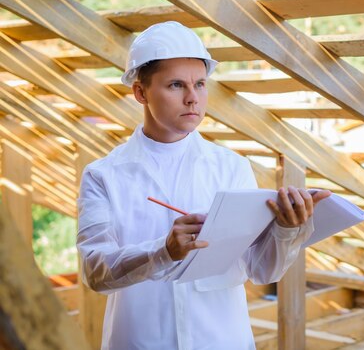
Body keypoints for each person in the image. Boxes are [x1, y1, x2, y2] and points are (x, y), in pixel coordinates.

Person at [77, 21, 331, 350]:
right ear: (140, 92)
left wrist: (286, 230)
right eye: (175, 85)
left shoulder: (231, 168)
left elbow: (262, 270)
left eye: (200, 84)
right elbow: (95, 272)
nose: (192, 99)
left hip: (223, 340)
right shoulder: (103, 175)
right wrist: (163, 251)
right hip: (140, 342)